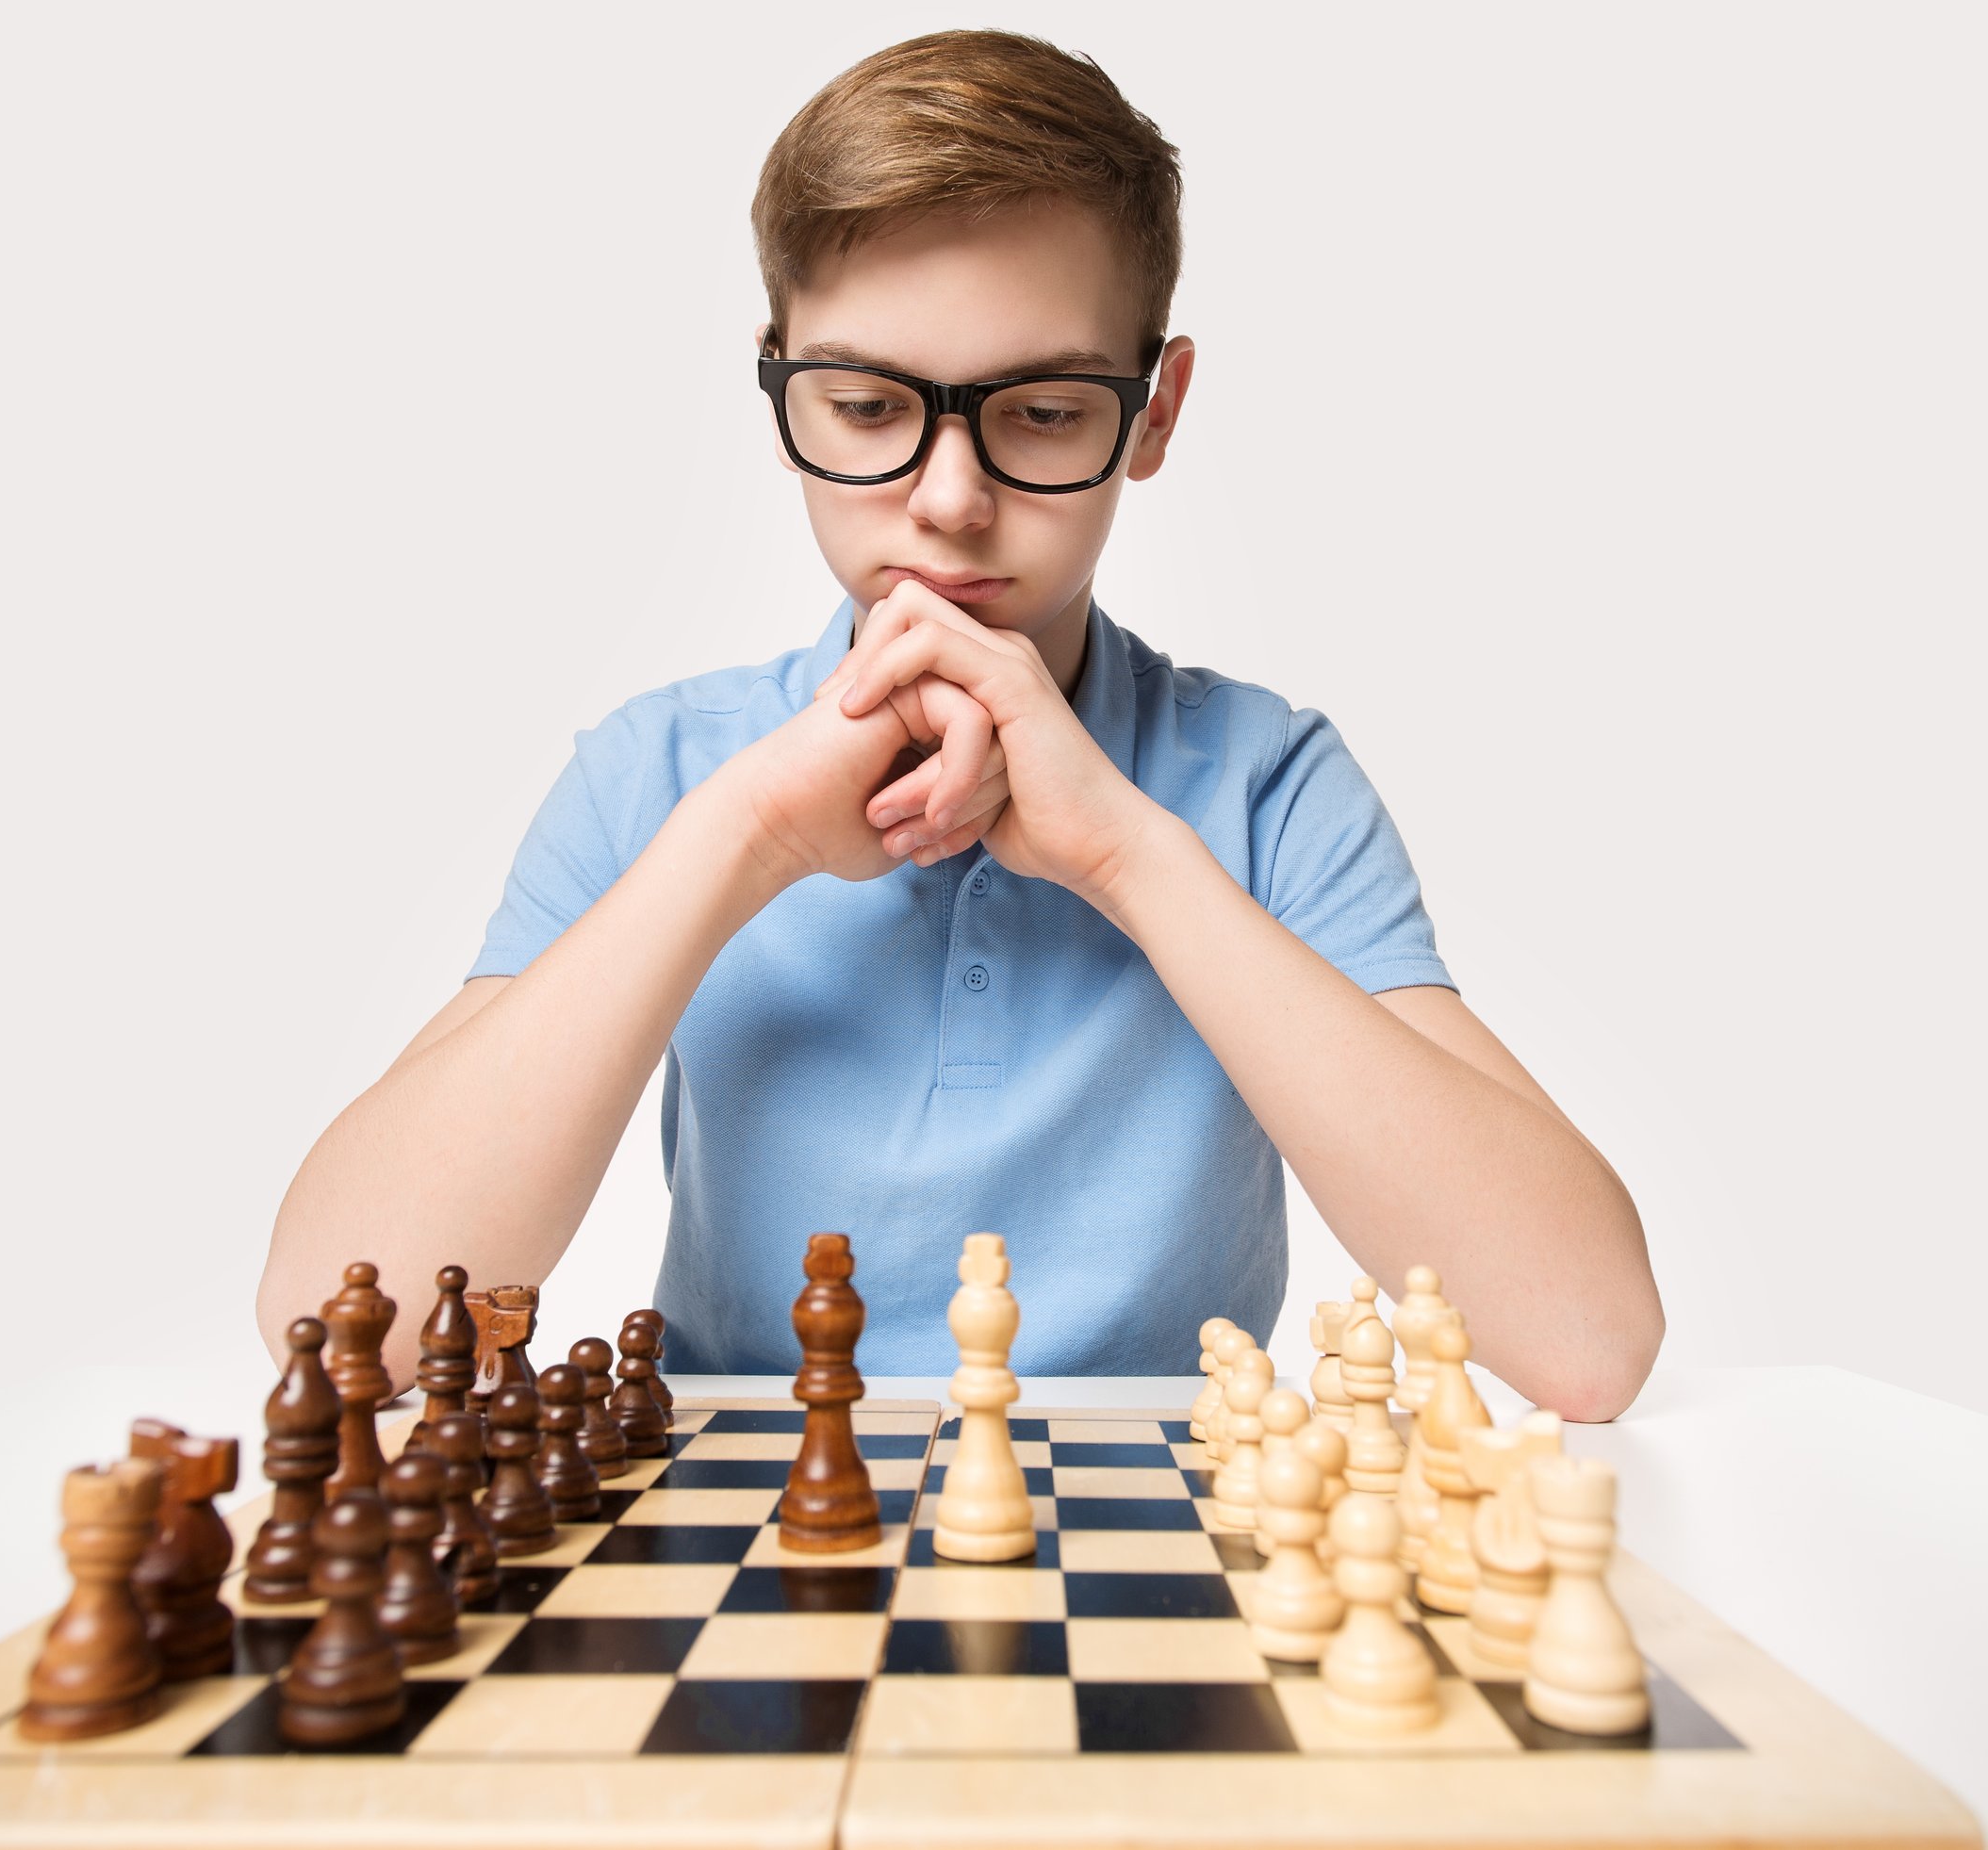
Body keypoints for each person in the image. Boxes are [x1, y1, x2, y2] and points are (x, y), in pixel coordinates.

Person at [255, 28, 1663, 1420]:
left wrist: (1124, 854)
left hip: (1156, 1577)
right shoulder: (664, 773)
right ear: (779, 387)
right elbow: (333, 1334)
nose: (947, 499)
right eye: (865, 405)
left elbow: (1587, 1341)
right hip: (754, 1565)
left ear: (1154, 412)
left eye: (1044, 411)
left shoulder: (1268, 787)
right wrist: (740, 838)